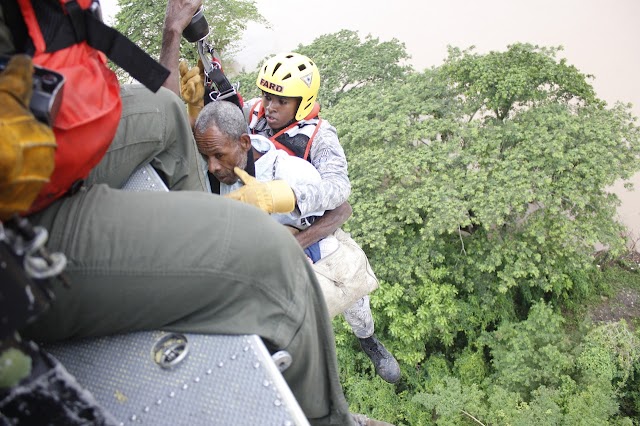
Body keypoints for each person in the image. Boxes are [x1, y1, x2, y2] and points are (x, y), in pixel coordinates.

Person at [0, 1, 389, 425]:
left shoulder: (315, 142)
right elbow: (223, 102)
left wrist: (286, 198)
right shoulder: (252, 120)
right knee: (255, 242)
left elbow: (340, 196)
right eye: (269, 95)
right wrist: (193, 56)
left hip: (303, 218)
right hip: (30, 193)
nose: (271, 104)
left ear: (304, 102)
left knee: (355, 303)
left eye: (283, 99)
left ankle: (369, 341)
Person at [194, 98, 401, 384]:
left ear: (243, 143)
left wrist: (291, 211)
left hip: (307, 238)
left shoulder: (293, 167)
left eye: (218, 155)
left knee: (352, 293)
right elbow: (222, 116)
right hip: (260, 254)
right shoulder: (231, 146)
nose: (212, 166)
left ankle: (367, 339)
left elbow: (341, 206)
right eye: (207, 156)